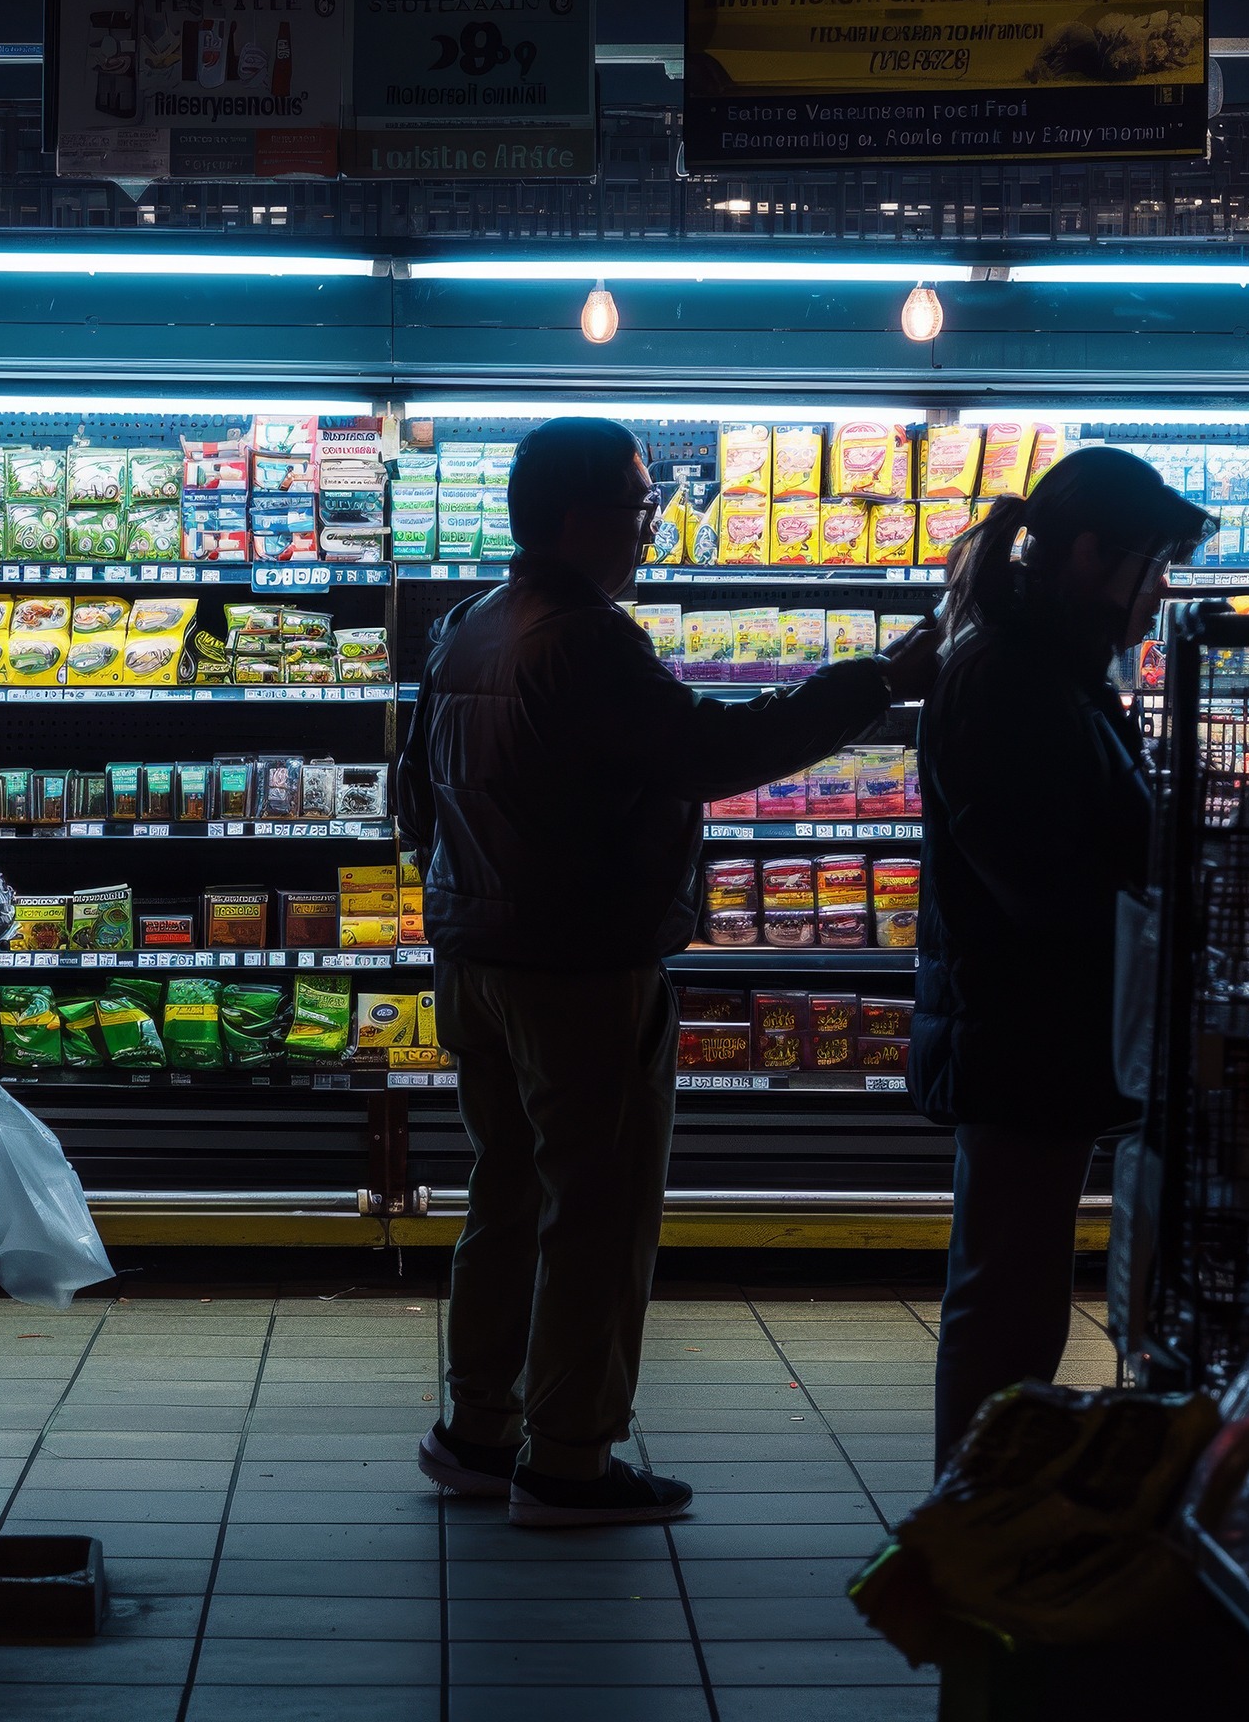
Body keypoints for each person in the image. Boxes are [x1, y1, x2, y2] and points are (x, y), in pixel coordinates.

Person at [393, 416, 942, 1526]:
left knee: (504, 1192)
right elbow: (711, 753)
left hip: (478, 954)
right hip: (580, 966)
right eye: (643, 503)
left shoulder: (469, 625)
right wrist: (876, 680)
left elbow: (415, 796)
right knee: (598, 1210)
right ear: (583, 514)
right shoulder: (585, 637)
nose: (652, 523)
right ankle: (568, 1462)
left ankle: (477, 1427)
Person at [912, 445, 1212, 1468]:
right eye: (1153, 565)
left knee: (1020, 1291)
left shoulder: (1049, 672)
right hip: (1022, 1031)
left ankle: (984, 1505)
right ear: (1094, 553)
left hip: (1041, 1031)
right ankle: (966, 1519)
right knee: (1007, 1295)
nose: (1158, 591)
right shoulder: (1009, 679)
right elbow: (1043, 879)